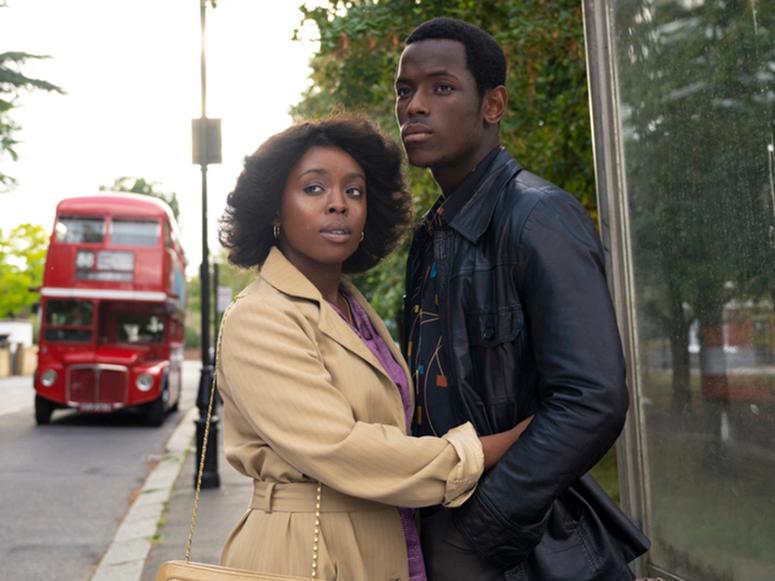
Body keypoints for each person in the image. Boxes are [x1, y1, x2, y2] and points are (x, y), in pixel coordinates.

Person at [215, 116, 530, 581]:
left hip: (380, 538)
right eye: (314, 189)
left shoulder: (352, 309)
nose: (338, 205)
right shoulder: (259, 316)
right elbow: (340, 447)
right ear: (275, 210)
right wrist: (487, 449)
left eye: (354, 191)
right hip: (305, 553)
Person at [394, 18, 650, 581]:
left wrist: (484, 523)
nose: (415, 105)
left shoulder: (538, 217)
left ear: (493, 104)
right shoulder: (432, 235)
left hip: (518, 542)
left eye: (441, 87)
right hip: (442, 524)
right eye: (405, 89)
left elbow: (592, 398)